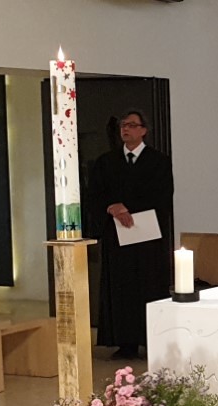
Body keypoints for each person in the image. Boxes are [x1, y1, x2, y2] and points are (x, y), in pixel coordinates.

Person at [89, 110, 174, 360]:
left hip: (148, 238)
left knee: (149, 286)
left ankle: (151, 340)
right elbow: (95, 194)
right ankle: (125, 342)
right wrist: (112, 207)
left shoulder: (158, 161)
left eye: (132, 125)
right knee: (121, 288)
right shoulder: (107, 161)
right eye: (123, 125)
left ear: (143, 130)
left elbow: (162, 196)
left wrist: (129, 209)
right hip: (118, 237)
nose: (126, 129)